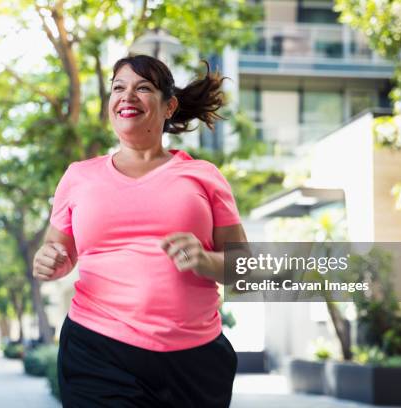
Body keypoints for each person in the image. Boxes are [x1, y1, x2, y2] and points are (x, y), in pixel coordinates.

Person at [33, 54, 248, 407]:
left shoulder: (204, 175)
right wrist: (51, 262)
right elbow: (56, 252)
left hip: (194, 360)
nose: (127, 96)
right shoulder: (78, 176)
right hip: (97, 348)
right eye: (118, 88)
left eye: (143, 88)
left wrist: (208, 262)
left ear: (169, 106)